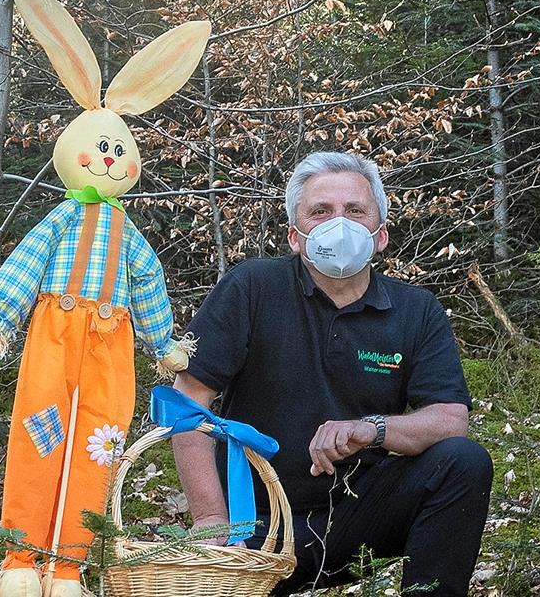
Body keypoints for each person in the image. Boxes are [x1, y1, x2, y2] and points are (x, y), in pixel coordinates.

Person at [171, 151, 493, 596]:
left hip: (362, 514)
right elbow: (188, 401)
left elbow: (450, 420)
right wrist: (211, 519)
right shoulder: (251, 289)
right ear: (295, 235)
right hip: (255, 526)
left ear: (380, 235)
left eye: (355, 210)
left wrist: (371, 429)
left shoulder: (417, 310)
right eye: (320, 211)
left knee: (463, 461)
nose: (338, 224)